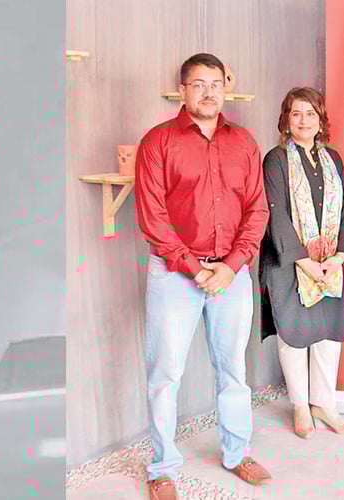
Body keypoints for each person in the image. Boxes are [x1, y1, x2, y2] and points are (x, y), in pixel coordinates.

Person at [134, 53, 271, 500]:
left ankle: (237, 452)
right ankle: (162, 467)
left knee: (233, 370)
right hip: (175, 274)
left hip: (231, 274)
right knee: (165, 374)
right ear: (182, 89)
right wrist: (197, 269)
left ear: (224, 88)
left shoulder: (244, 142)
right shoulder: (157, 142)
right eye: (198, 84)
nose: (209, 92)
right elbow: (153, 219)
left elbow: (257, 210)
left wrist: (230, 266)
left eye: (215, 84)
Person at [259, 87, 344, 440]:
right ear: (286, 120)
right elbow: (276, 214)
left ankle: (324, 403)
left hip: (329, 263)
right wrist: (304, 262)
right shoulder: (276, 160)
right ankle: (301, 405)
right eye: (296, 113)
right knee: (295, 334)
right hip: (289, 262)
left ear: (321, 120)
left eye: (311, 113)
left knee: (328, 334)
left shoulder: (334, 160)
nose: (304, 120)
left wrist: (339, 257)